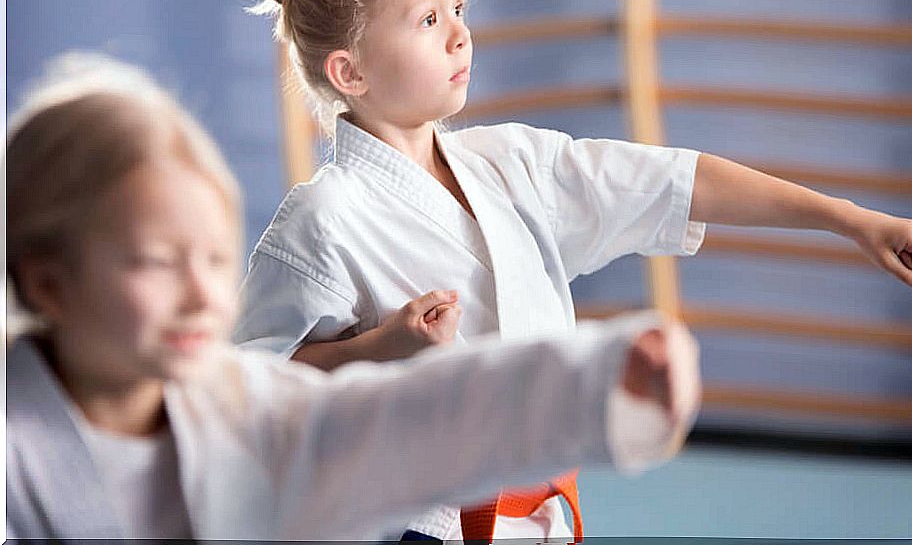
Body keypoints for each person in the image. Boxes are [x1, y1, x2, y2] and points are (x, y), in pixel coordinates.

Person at [233, 0, 912, 542]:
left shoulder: (512, 164)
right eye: (427, 19)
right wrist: (379, 347)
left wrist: (847, 219)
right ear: (350, 72)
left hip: (547, 515)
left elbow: (676, 181)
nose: (460, 35)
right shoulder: (324, 219)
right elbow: (247, 396)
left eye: (458, 6)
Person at [5, 53, 703, 541]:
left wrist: (599, 377)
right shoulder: (15, 456)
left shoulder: (238, 404)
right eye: (158, 262)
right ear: (47, 281)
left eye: (217, 259)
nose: (201, 295)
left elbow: (411, 418)